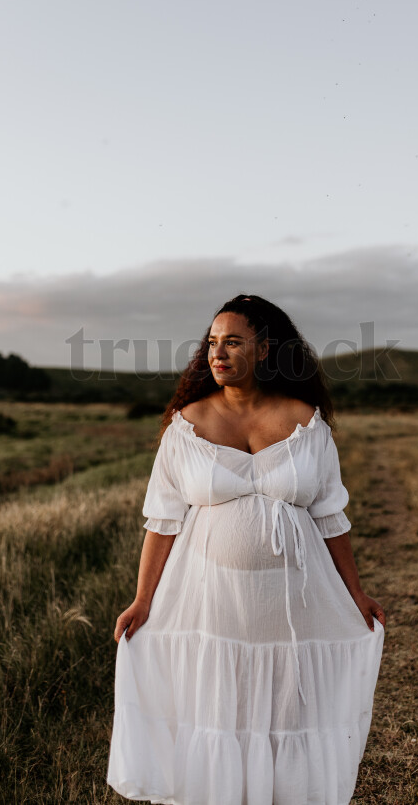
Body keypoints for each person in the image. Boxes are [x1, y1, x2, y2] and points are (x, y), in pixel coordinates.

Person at [107, 293, 385, 805]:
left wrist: (357, 594)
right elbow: (163, 521)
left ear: (264, 350)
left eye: (233, 341)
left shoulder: (308, 423)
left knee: (286, 712)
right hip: (212, 602)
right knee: (218, 710)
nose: (218, 352)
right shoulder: (185, 426)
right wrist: (143, 600)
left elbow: (330, 516)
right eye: (212, 343)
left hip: (292, 601)